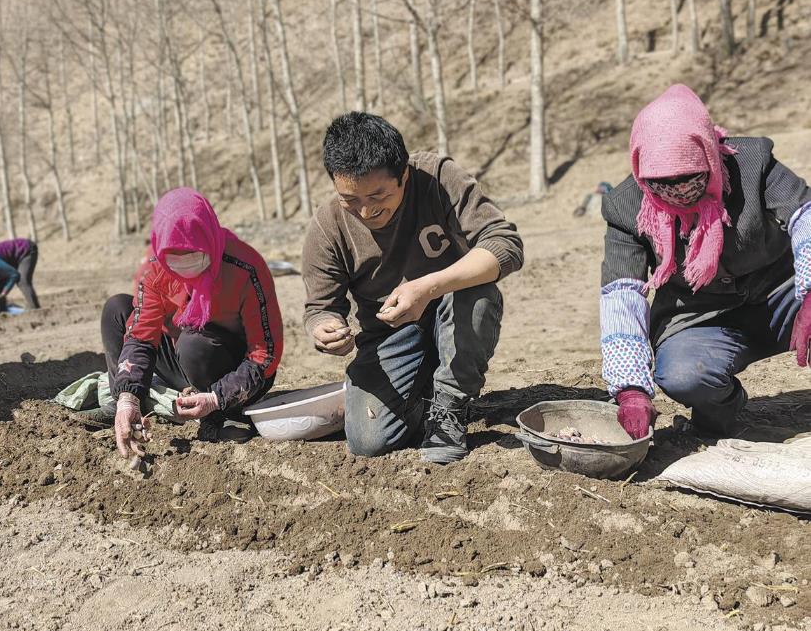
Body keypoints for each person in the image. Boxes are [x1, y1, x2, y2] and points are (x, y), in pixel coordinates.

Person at [302, 112, 524, 464]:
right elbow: (319, 307)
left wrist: (429, 287)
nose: (366, 210)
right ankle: (423, 396)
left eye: (377, 195)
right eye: (351, 199)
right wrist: (324, 329)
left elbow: (505, 245)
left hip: (452, 310)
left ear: (403, 174)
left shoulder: (436, 177)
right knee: (368, 441)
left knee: (478, 291)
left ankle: (450, 408)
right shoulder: (328, 224)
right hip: (389, 335)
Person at [600, 85, 811, 439]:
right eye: (664, 185)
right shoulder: (625, 206)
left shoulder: (752, 163)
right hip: (698, 317)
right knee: (684, 375)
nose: (679, 191)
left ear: (711, 158)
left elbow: (805, 215)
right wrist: (630, 389)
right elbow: (622, 294)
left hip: (782, 297)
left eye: (691, 178)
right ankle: (725, 407)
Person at [102, 188, 284, 455]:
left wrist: (216, 398)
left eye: (196, 258)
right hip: (183, 361)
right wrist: (127, 397)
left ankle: (220, 416)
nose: (187, 270)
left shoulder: (245, 267)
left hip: (230, 368)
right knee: (116, 309)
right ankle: (128, 410)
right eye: (175, 263)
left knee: (193, 342)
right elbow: (142, 337)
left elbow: (265, 355)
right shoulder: (154, 270)